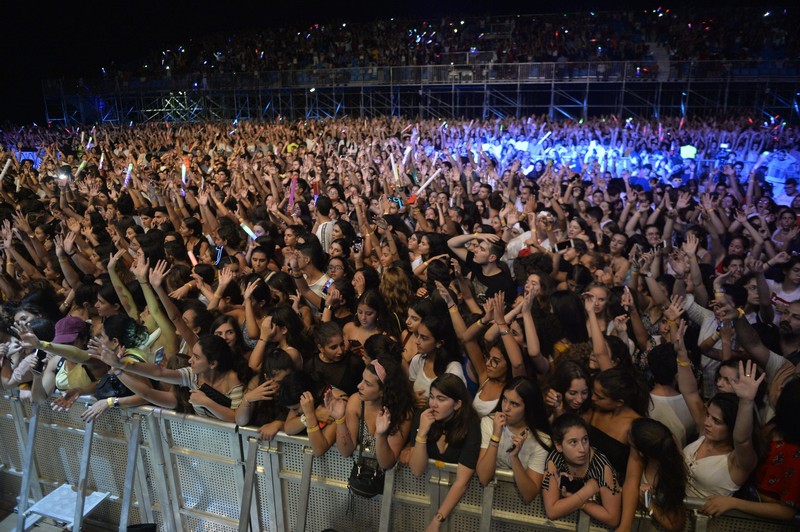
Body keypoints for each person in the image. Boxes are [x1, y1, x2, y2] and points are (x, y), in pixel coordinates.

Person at [674, 320, 763, 498]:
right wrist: (681, 354)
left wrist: (746, 401)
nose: (707, 422)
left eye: (716, 421)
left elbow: (742, 439)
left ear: (731, 426)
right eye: (708, 416)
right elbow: (690, 392)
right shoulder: (708, 429)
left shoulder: (739, 459)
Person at [94, 334, 247, 422]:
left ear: (213, 364)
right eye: (192, 354)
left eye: (197, 357)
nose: (190, 360)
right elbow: (158, 373)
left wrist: (206, 402)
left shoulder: (233, 381)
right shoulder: (194, 375)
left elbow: (236, 419)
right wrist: (120, 365)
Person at [409, 374, 481, 531]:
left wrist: (437, 520)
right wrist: (422, 433)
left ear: (457, 404)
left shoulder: (471, 426)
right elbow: (416, 470)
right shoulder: (423, 417)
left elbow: (462, 481)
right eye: (432, 397)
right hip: (424, 498)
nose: (433, 404)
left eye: (441, 399)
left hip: (463, 506)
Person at [325, 356, 414, 470]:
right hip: (362, 477)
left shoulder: (403, 412)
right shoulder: (356, 402)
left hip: (396, 481)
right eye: (362, 380)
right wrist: (340, 420)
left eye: (367, 384)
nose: (359, 386)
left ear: (383, 391)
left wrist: (381, 435)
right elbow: (346, 451)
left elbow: (386, 463)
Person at [475, 377, 552, 502]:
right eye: (505, 399)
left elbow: (529, 495)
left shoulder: (541, 440)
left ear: (528, 408)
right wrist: (495, 436)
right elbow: (484, 478)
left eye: (514, 404)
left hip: (519, 505)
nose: (506, 408)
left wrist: (514, 458)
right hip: (487, 497)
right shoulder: (489, 422)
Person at [541, 413, 621, 527]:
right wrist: (588, 490)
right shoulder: (555, 459)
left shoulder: (602, 466)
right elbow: (552, 511)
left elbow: (612, 518)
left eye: (585, 440)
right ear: (559, 446)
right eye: (573, 442)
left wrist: (577, 501)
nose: (582, 449)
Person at [617, 418, 689, 532]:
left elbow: (675, 525)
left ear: (641, 452)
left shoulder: (670, 477)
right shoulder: (652, 445)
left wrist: (648, 501)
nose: (627, 433)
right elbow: (631, 479)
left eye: (631, 441)